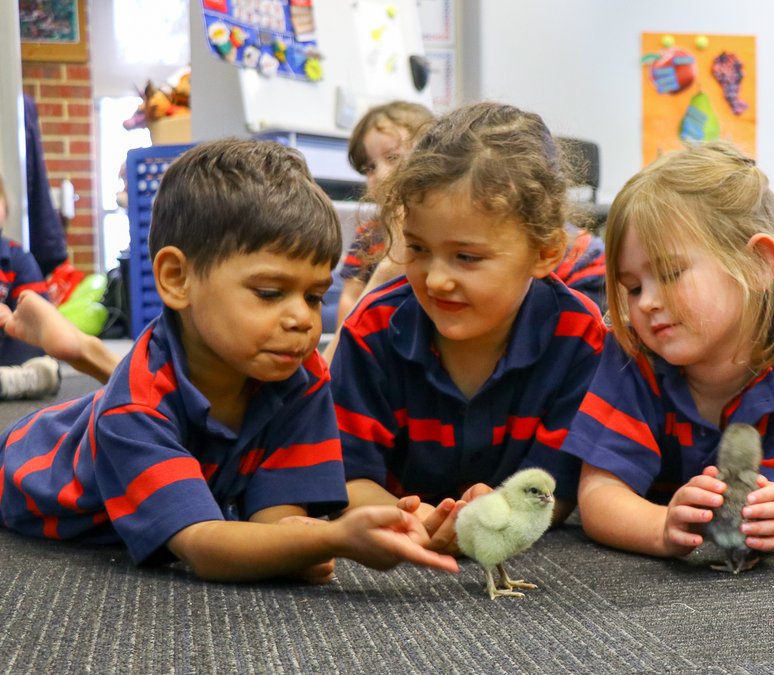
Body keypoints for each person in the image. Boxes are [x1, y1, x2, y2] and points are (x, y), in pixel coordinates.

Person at [0, 139, 457, 582]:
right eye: (270, 293)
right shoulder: (133, 409)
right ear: (177, 278)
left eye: (315, 297)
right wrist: (327, 538)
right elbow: (203, 544)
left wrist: (295, 543)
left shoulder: (300, 375)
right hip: (24, 468)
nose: (303, 319)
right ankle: (80, 349)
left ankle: (79, 347)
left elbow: (275, 518)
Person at [332, 102, 607, 554]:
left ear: (545, 252)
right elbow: (349, 479)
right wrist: (417, 520)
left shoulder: (579, 335)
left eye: (466, 257)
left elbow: (554, 492)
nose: (436, 280)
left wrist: (488, 521)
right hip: (396, 560)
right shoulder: (371, 329)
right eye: (418, 249)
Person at [562, 141, 774, 560]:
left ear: (756, 264)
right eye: (633, 288)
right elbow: (600, 494)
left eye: (670, 273)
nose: (646, 303)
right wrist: (660, 526)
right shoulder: (632, 356)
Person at [333, 101, 436, 337]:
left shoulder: (438, 232)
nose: (380, 174)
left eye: (393, 158)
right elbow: (350, 296)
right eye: (370, 167)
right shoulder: (369, 235)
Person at [0, 173, 60, 400]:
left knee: (45, 363)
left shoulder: (17, 258)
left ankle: (12, 380)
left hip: (8, 350)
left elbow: (41, 318)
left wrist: (11, 319)